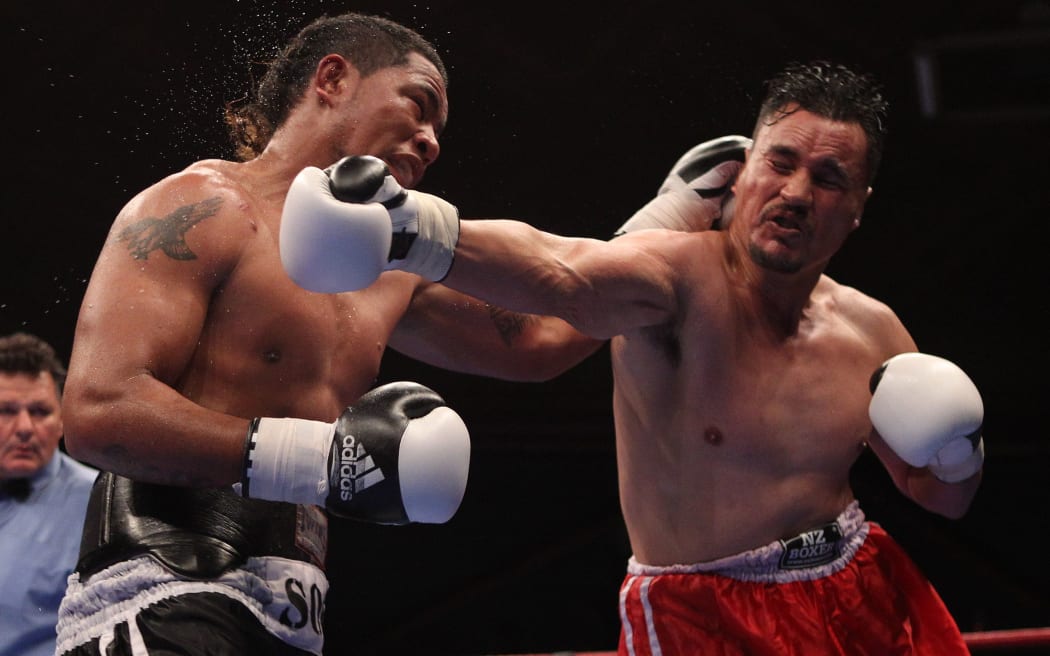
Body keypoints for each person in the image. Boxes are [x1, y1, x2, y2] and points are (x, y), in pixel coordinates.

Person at [282, 61, 985, 654]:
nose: (797, 193)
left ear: (858, 205)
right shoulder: (679, 279)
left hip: (858, 579)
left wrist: (959, 455)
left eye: (829, 178)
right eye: (781, 162)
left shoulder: (874, 332)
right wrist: (410, 226)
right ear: (741, 175)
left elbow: (941, 498)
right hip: (703, 612)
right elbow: (562, 270)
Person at [54, 12, 606, 656]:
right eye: (418, 105)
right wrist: (324, 461)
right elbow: (97, 410)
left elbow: (543, 340)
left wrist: (667, 228)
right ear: (334, 79)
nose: (431, 142)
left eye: (438, 130)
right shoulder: (203, 207)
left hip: (292, 614)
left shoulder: (391, 269)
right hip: (163, 591)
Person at [0, 332, 98, 656]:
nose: (25, 426)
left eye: (40, 411)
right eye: (6, 411)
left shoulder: (100, 503)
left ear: (61, 421)